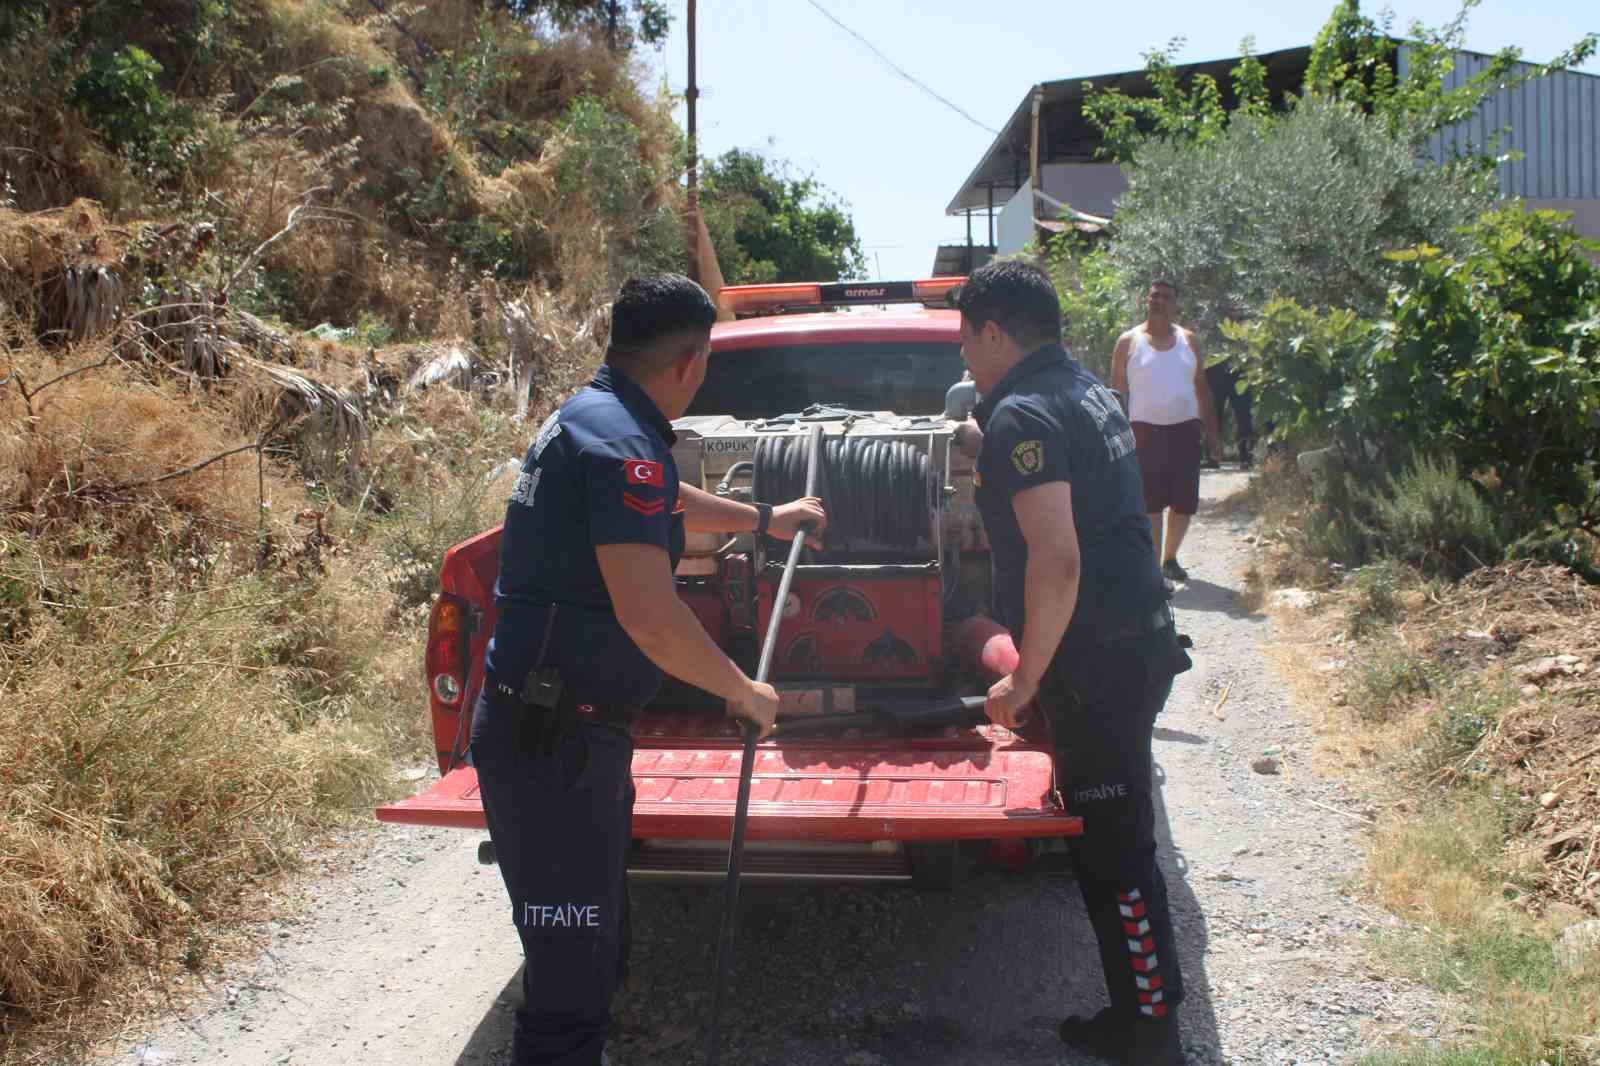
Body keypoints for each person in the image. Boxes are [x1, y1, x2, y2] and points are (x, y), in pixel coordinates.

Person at [470, 274, 826, 1066]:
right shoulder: (622, 440)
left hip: (565, 730)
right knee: (566, 986)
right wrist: (745, 692)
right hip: (553, 738)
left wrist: (767, 518)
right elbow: (653, 618)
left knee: (597, 948)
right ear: (692, 360)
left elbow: (665, 499)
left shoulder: (598, 419)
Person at [955, 260, 1194, 1065]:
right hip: (1138, 639)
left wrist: (1024, 682)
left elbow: (1056, 562)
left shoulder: (1023, 413)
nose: (962, 353)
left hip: (1100, 663)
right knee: (1119, 836)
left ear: (993, 331)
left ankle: (1149, 1028)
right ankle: (1151, 1007)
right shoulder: (1085, 387)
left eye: (965, 335)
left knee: (1113, 847)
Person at [1110, 280, 1221, 584]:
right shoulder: (1128, 341)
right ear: (1146, 301)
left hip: (1185, 430)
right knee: (1150, 503)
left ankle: (1170, 558)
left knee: (1184, 502)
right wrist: (1116, 437)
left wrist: (1213, 435)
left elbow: (1202, 389)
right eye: (1154, 296)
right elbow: (1116, 394)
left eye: (1166, 297)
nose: (1158, 301)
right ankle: (1155, 568)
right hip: (1143, 431)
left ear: (1175, 304)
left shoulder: (1189, 340)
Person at [1202, 353, 1254, 470]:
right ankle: (1212, 456)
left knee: (1243, 413)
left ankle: (1246, 456)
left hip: (1238, 364)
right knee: (1213, 411)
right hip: (1215, 365)